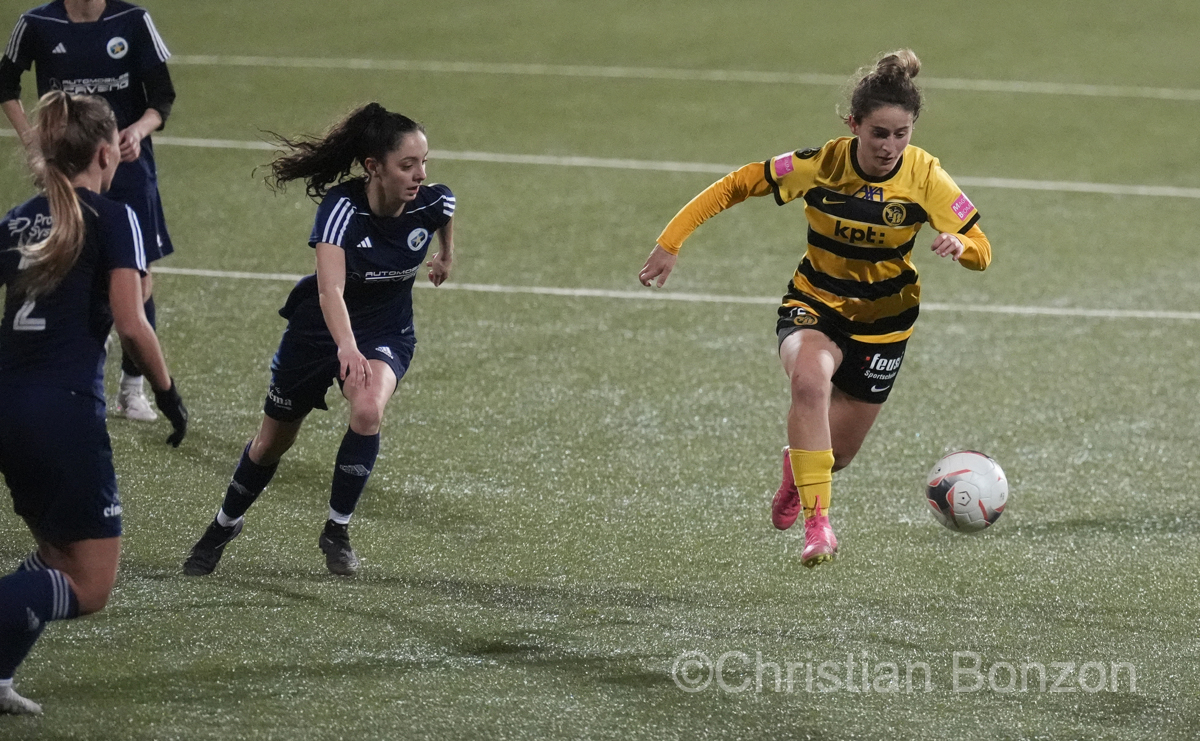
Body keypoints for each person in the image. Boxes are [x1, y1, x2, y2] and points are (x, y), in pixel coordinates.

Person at [639, 49, 991, 568]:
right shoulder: (819, 164)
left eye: (901, 134)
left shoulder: (926, 178)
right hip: (815, 303)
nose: (890, 146)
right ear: (854, 125)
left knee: (838, 455)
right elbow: (738, 184)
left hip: (884, 326)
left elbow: (982, 248)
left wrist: (962, 249)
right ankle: (818, 525)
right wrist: (671, 242)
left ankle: (795, 472)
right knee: (808, 381)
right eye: (878, 133)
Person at [182, 102, 456, 578]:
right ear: (374, 167)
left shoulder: (432, 202)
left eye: (424, 162)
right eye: (407, 165)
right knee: (272, 443)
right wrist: (345, 347)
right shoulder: (341, 208)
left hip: (386, 330)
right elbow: (330, 288)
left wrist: (446, 256)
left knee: (368, 408)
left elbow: (446, 211)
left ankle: (337, 530)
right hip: (317, 332)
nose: (420, 174)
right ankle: (224, 524)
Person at [0, 91, 186, 715]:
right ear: (107, 152)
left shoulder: (20, 218)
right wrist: (168, 394)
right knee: (91, 585)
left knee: (56, 555)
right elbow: (133, 324)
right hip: (64, 413)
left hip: (10, 407)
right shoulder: (113, 217)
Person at [1, 0, 177, 422]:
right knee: (59, 262)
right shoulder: (36, 22)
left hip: (127, 167)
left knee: (140, 281)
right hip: (66, 170)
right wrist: (32, 139)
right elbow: (6, 82)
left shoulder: (132, 20)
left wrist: (137, 129)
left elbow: (163, 96)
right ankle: (67, 357)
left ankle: (132, 389)